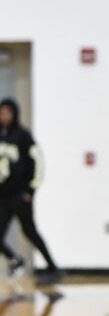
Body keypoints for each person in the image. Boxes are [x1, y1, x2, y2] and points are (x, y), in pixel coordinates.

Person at [0, 98, 61, 283]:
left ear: (14, 113)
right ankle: (15, 260)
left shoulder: (24, 136)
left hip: (20, 196)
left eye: (7, 112)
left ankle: (52, 267)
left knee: (30, 231)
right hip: (3, 197)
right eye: (1, 112)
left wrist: (31, 190)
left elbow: (39, 162)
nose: (4, 116)